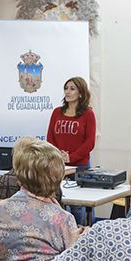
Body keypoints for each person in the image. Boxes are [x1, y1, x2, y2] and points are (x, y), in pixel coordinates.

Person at [46, 77, 96, 223]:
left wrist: (71, 157)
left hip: (80, 166)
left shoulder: (88, 114)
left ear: (81, 93)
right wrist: (58, 156)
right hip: (58, 166)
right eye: (66, 88)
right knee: (57, 202)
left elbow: (90, 142)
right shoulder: (57, 112)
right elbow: (50, 138)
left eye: (72, 88)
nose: (68, 92)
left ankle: (79, 236)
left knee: (78, 206)